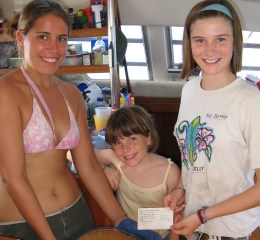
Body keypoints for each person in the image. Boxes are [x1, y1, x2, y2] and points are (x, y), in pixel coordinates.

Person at [0, 1, 128, 239]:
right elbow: (13, 179)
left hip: (76, 214)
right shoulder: (6, 93)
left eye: (61, 38)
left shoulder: (71, 94)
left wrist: (120, 218)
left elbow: (88, 164)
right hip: (23, 224)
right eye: (43, 37)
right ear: (20, 38)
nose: (54, 48)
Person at [163, 0, 260, 239]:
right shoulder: (189, 90)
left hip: (231, 231)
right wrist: (181, 189)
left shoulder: (250, 100)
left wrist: (204, 215)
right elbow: (193, 160)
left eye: (220, 39)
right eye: (200, 40)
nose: (210, 50)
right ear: (189, 44)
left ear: (235, 41)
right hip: (195, 224)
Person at [95, 105, 181, 240]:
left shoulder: (170, 172)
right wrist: (106, 166)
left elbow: (177, 216)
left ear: (149, 138)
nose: (125, 148)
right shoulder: (119, 164)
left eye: (132, 138)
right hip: (126, 232)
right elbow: (81, 157)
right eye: (118, 142)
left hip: (162, 236)